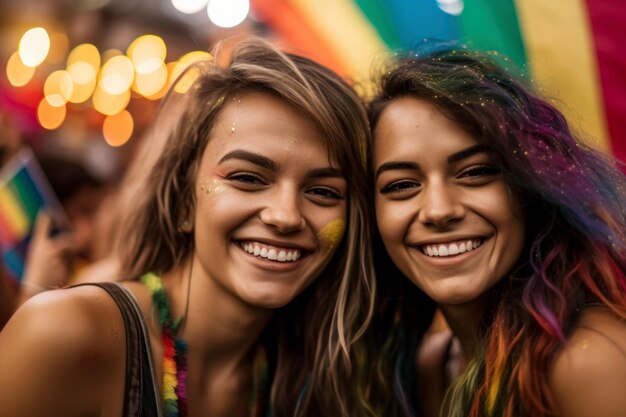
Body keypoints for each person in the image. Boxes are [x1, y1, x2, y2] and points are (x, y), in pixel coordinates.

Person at [0, 38, 375, 417]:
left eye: (324, 191)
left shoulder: (327, 381)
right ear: (183, 199)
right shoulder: (64, 333)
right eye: (247, 178)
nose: (286, 215)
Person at [367, 48, 626, 417]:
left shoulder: (589, 361)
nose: (439, 210)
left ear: (532, 188)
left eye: (475, 172)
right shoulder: (429, 366)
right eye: (401, 185)